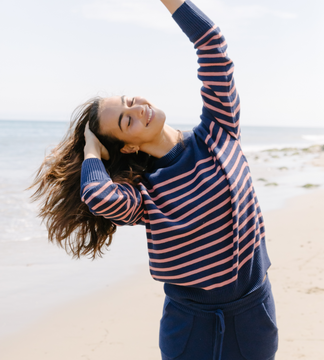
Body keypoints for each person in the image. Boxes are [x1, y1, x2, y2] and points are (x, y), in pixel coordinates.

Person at [31, 0, 278, 359]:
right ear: (128, 148)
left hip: (254, 313)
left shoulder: (219, 130)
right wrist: (90, 151)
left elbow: (212, 43)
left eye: (129, 101)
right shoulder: (145, 194)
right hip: (190, 327)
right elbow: (98, 196)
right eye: (125, 121)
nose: (137, 109)